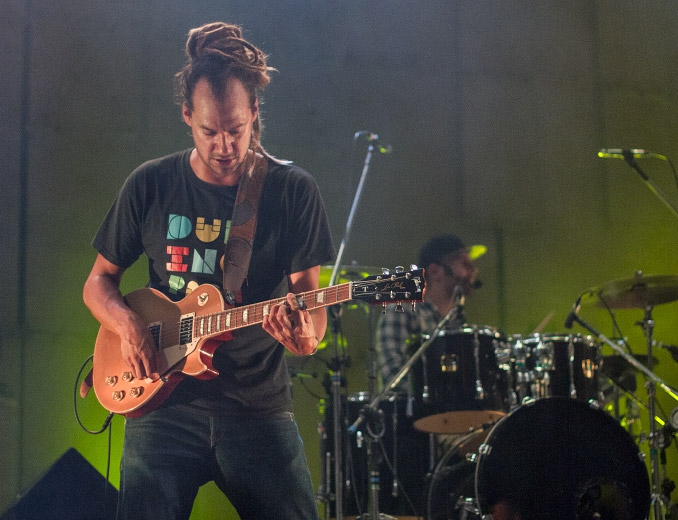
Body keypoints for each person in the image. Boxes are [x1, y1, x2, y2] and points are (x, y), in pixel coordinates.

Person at [82, 22, 333, 519]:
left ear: (255, 112)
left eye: (236, 130)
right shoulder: (150, 184)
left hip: (257, 408)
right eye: (210, 131)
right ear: (186, 117)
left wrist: (305, 336)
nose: (224, 145)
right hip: (162, 409)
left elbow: (312, 307)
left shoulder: (292, 190)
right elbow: (97, 282)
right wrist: (128, 325)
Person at [375, 233, 483, 391]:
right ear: (434, 272)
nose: (473, 270)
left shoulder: (458, 321)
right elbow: (393, 376)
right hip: (416, 415)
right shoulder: (402, 310)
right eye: (465, 265)